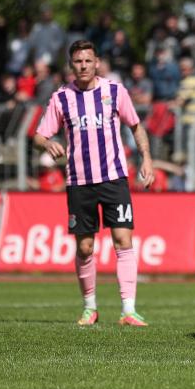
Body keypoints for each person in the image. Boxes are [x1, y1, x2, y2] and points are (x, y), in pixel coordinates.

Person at [34, 40, 155, 327]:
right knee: (86, 247)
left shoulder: (114, 91)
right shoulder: (61, 97)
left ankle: (128, 310)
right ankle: (90, 307)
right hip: (79, 182)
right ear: (71, 66)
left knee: (123, 240)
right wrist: (47, 143)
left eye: (88, 60)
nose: (84, 66)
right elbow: (39, 134)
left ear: (97, 62)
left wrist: (146, 158)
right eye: (78, 61)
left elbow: (135, 125)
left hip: (114, 178)